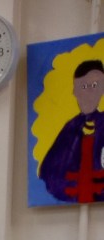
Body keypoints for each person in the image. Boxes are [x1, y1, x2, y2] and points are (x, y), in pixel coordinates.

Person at [39, 59, 104, 203]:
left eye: (95, 86)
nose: (89, 93)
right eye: (83, 86)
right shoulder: (70, 128)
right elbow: (49, 173)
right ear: (75, 91)